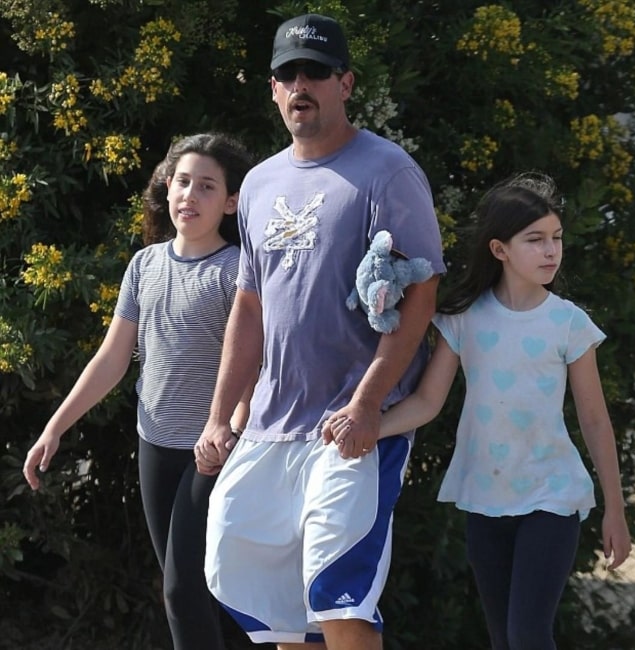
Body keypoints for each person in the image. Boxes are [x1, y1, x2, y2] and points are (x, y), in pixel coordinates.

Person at [195, 13, 446, 650]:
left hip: (351, 428)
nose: (301, 83)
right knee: (270, 599)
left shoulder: (387, 171)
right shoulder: (257, 184)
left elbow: (421, 294)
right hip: (273, 423)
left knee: (341, 598)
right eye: (288, 73)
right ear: (274, 89)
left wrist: (366, 404)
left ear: (345, 83)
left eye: (316, 71)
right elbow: (248, 308)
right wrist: (221, 416)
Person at [328, 172, 632, 650]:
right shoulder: (462, 319)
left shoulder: (569, 323)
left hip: (551, 497)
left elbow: (595, 420)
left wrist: (615, 509)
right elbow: (428, 403)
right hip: (484, 497)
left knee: (528, 636)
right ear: (499, 250)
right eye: (535, 240)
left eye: (556, 238)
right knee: (501, 639)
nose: (551, 251)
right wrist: (367, 425)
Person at [23, 132, 254, 650]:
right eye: (183, 181)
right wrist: (54, 428)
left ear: (232, 201)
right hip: (155, 448)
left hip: (215, 456)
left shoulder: (236, 271)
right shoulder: (144, 265)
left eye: (207, 186)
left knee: (185, 589)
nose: (190, 196)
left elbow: (254, 365)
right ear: (167, 187)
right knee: (193, 589)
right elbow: (111, 359)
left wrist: (234, 430)